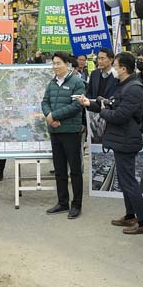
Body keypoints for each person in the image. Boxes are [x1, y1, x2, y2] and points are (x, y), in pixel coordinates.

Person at [80, 52, 143, 233]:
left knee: (129, 181)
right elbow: (110, 104)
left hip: (126, 139)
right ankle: (130, 216)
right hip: (121, 138)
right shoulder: (123, 85)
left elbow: (119, 115)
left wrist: (102, 111)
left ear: (123, 69)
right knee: (125, 180)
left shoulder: (133, 88)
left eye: (116, 66)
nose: (114, 69)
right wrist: (89, 103)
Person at [41, 52, 86, 219]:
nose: (55, 66)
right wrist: (49, 116)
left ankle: (76, 204)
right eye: (53, 63)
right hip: (55, 131)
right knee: (59, 169)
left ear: (67, 64)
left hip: (71, 132)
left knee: (75, 170)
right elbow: (45, 102)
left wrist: (55, 116)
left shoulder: (77, 82)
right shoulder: (52, 83)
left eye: (58, 63)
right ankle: (62, 202)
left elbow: (77, 106)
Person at [86, 48, 118, 145]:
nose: (99, 61)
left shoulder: (116, 75)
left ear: (111, 60)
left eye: (102, 58)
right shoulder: (94, 74)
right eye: (98, 58)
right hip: (94, 114)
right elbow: (90, 92)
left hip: (111, 114)